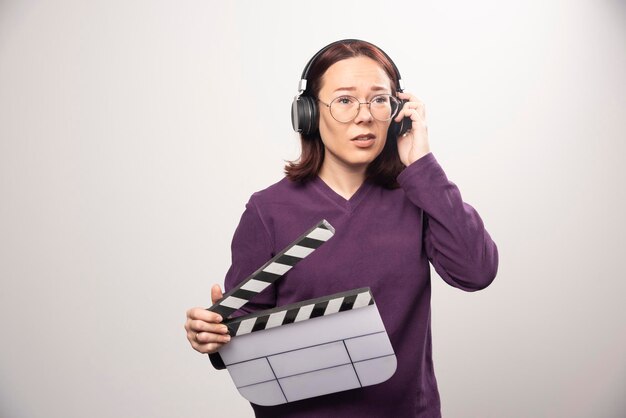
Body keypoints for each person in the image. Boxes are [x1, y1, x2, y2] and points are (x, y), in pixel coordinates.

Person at [184, 39, 499, 417]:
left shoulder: (417, 197)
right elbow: (242, 339)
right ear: (309, 115)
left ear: (397, 110)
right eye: (345, 100)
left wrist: (422, 164)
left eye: (379, 99)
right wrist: (214, 335)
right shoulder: (268, 210)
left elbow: (476, 272)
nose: (364, 116)